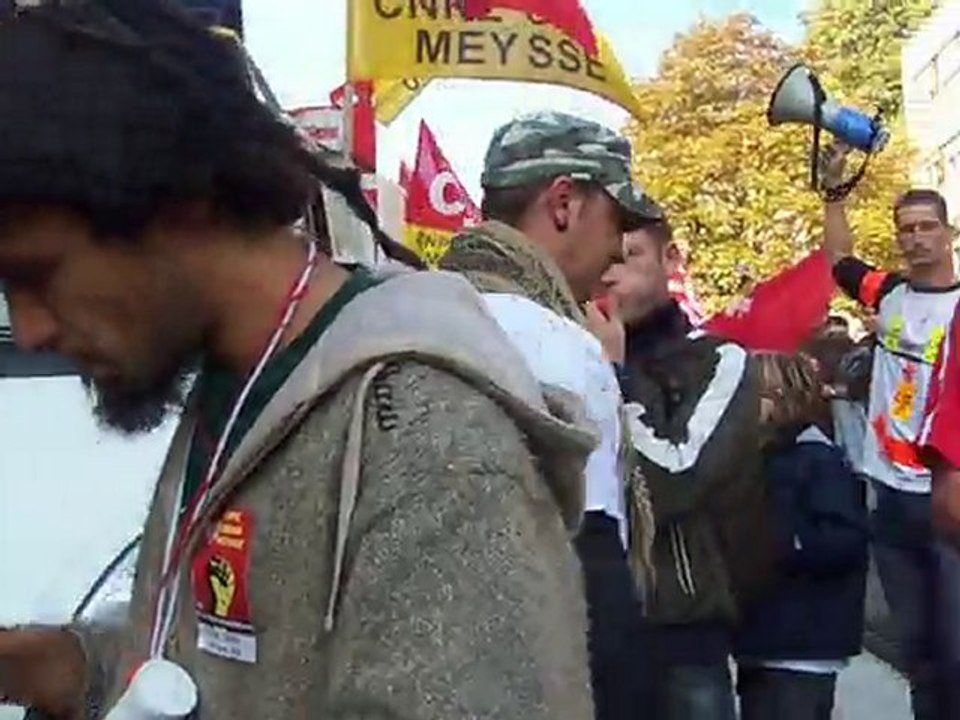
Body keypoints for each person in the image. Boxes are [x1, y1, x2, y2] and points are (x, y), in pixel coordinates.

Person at [0, 3, 597, 719]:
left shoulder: (431, 443)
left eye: (38, 274)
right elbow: (205, 674)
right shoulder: (240, 384)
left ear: (180, 204)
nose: (28, 330)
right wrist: (49, 665)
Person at [439, 110, 661, 720]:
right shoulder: (556, 345)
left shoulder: (419, 311)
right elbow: (594, 581)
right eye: (619, 220)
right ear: (564, 203)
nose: (619, 249)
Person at [600, 216, 773, 720]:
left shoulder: (718, 361)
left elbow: (674, 479)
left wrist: (612, 377)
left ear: (668, 261)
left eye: (628, 257)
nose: (610, 276)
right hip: (584, 625)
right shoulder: (559, 352)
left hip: (681, 633)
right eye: (602, 260)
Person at [821, 144, 960, 719]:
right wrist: (833, 196)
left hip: (946, 497)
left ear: (949, 232)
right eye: (906, 228)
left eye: (928, 226)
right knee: (918, 653)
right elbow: (838, 259)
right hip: (891, 500)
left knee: (955, 650)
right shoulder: (890, 294)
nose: (916, 238)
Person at [735, 352, 869, 720]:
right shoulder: (760, 459)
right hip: (765, 639)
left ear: (784, 398)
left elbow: (844, 540)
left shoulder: (816, 460)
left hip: (801, 642)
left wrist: (783, 540)